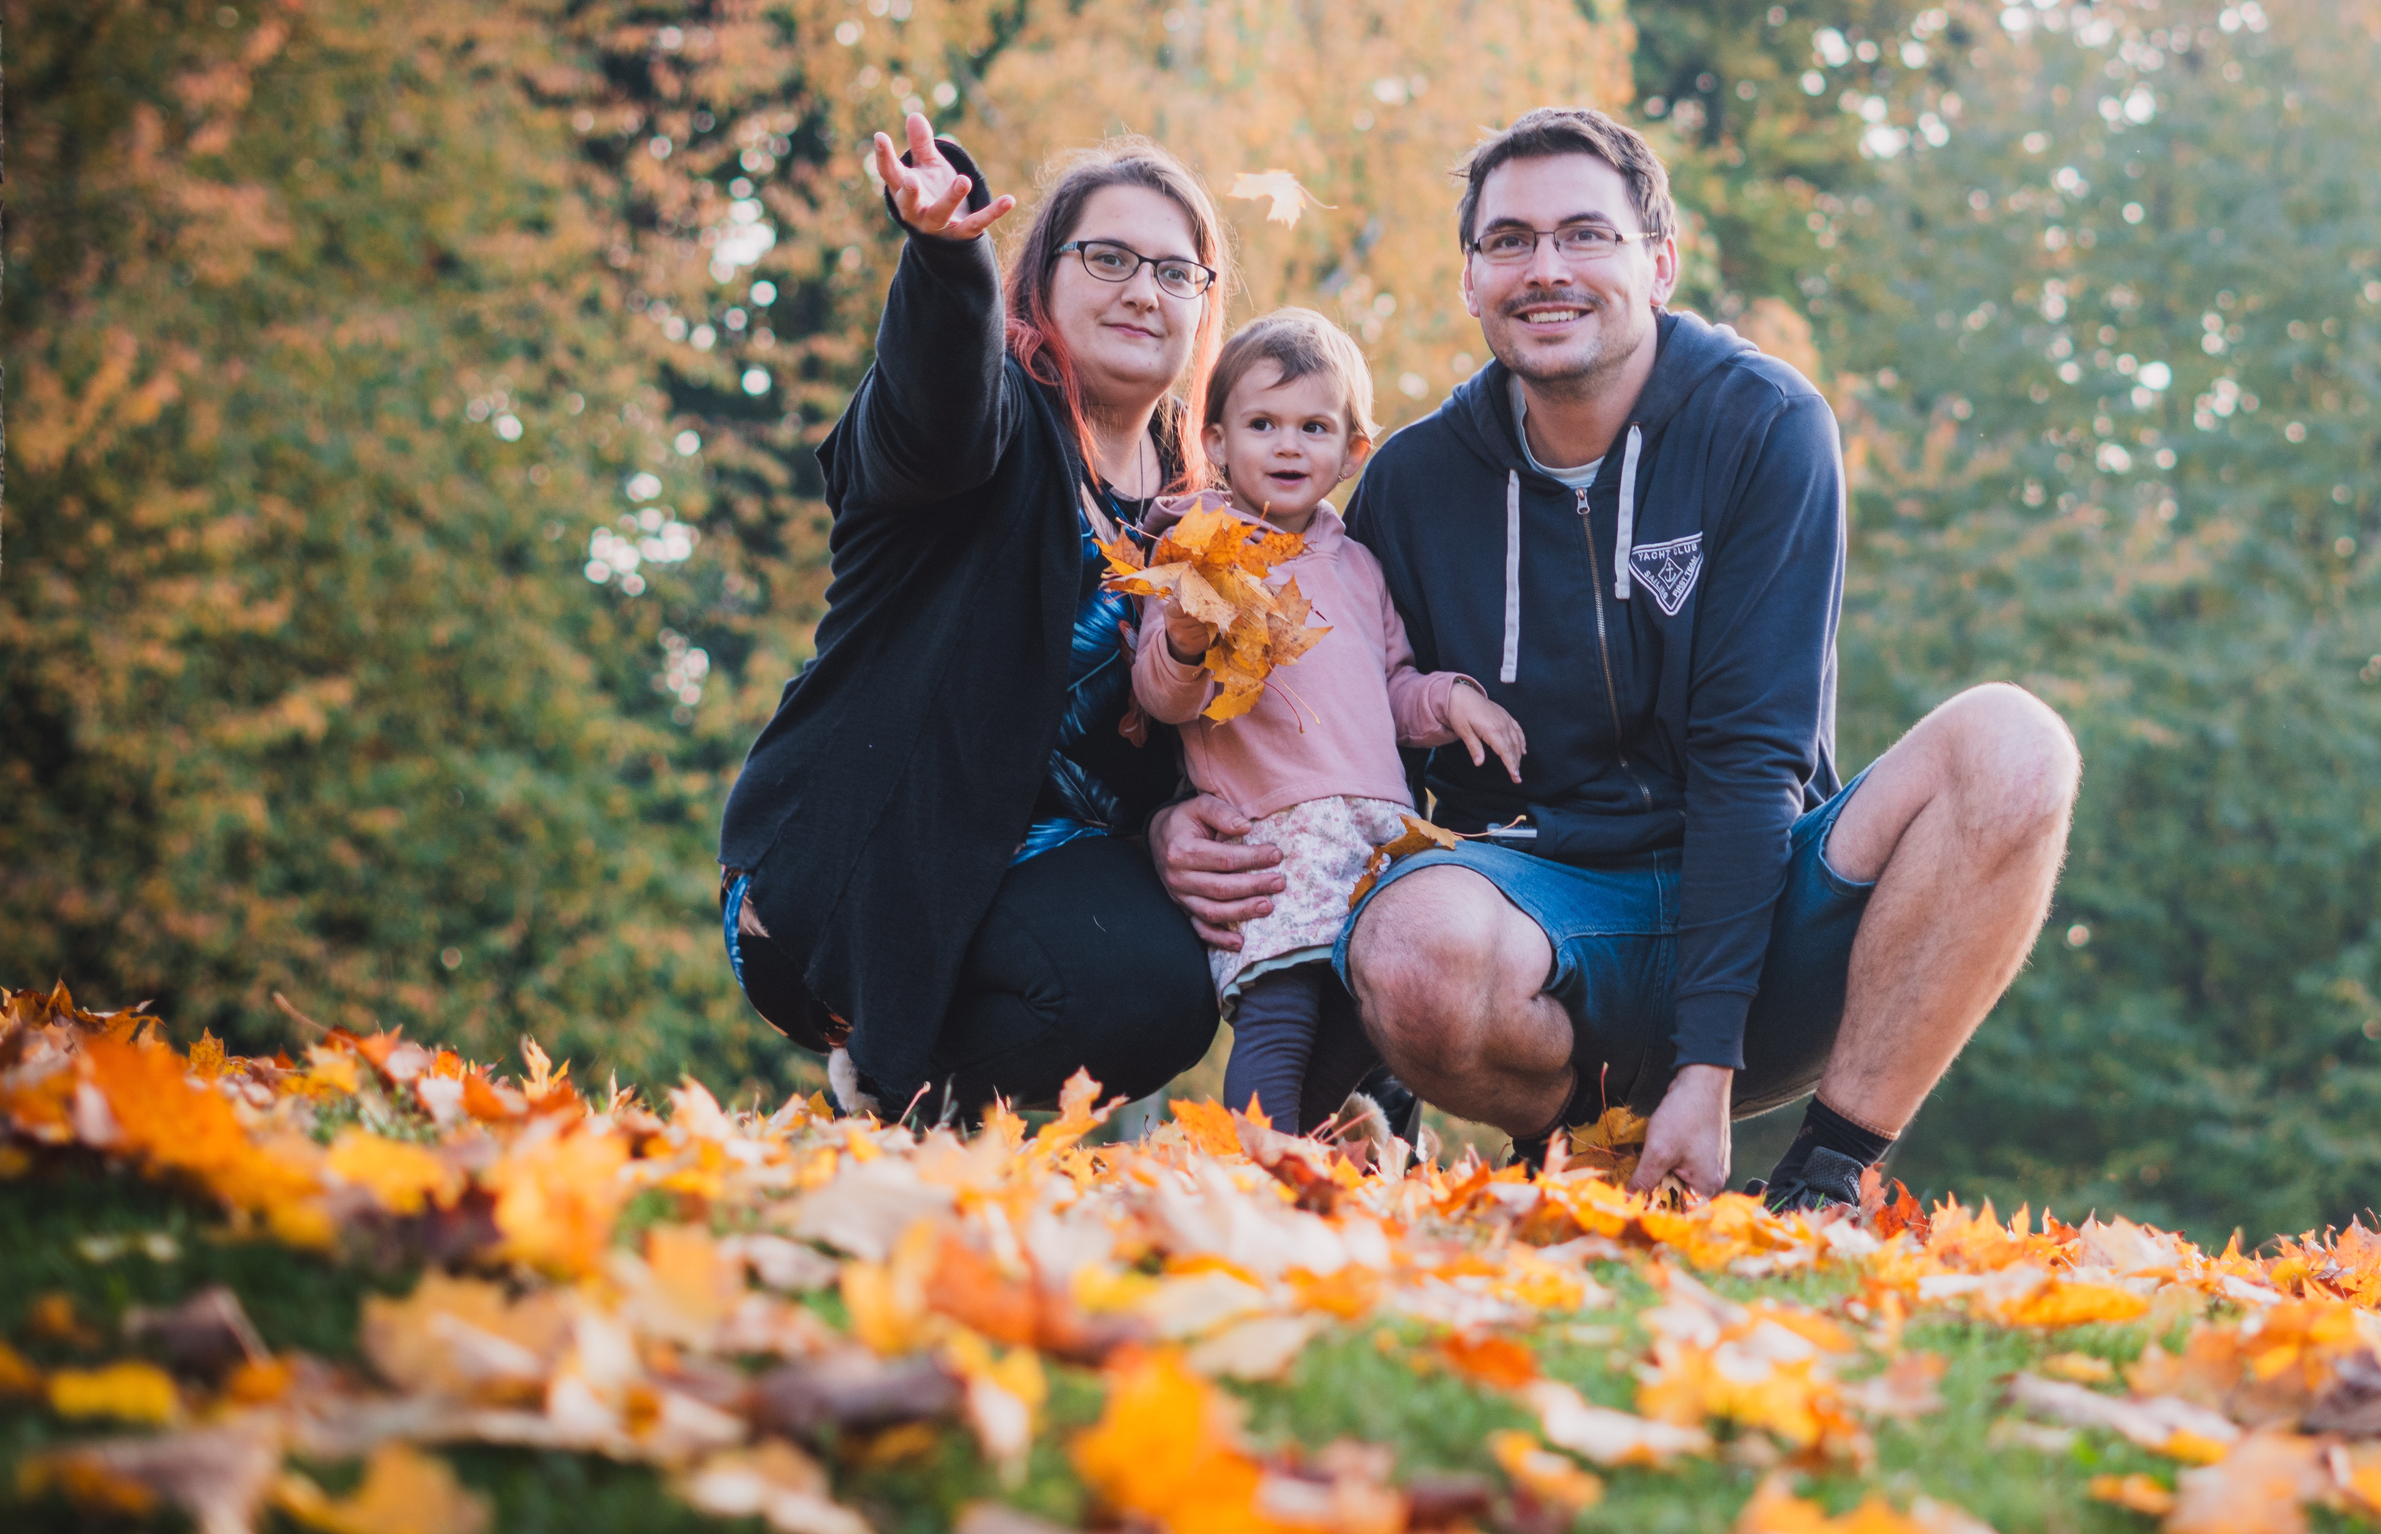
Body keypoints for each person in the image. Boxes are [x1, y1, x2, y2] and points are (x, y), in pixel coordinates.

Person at [1153, 106, 2082, 1208]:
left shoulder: (1766, 424)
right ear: (1469, 280)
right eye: (1509, 242)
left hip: (1766, 915)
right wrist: (1179, 813)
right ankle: (1568, 1151)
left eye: (1585, 234)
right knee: (1411, 948)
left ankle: (1826, 1181)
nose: (1546, 270)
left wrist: (1706, 1064)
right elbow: (1337, 704)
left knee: (2016, 744)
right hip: (1542, 920)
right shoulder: (1411, 481)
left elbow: (1751, 760)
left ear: (1661, 262)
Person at [717, 111, 1231, 1120]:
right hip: (858, 866)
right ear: (1039, 282)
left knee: (1171, 990)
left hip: (1037, 876)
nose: (1143, 289)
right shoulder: (992, 417)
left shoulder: (1197, 498)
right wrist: (949, 262)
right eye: (1110, 257)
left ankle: (909, 1108)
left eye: (1176, 273)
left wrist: (1169, 822)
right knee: (1136, 983)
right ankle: (895, 1073)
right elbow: (933, 407)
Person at [1130, 309, 1526, 1135]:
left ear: (1352, 453)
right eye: (1262, 424)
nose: (1286, 446)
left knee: (1364, 1023)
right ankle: (1247, 1180)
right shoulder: (1201, 552)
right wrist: (1185, 638)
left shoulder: (1357, 565)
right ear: (1217, 441)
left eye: (1313, 427)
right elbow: (1165, 701)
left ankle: (1271, 1168)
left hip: (1375, 836)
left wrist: (1452, 700)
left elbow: (1392, 691)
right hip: (1273, 838)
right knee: (1282, 1011)